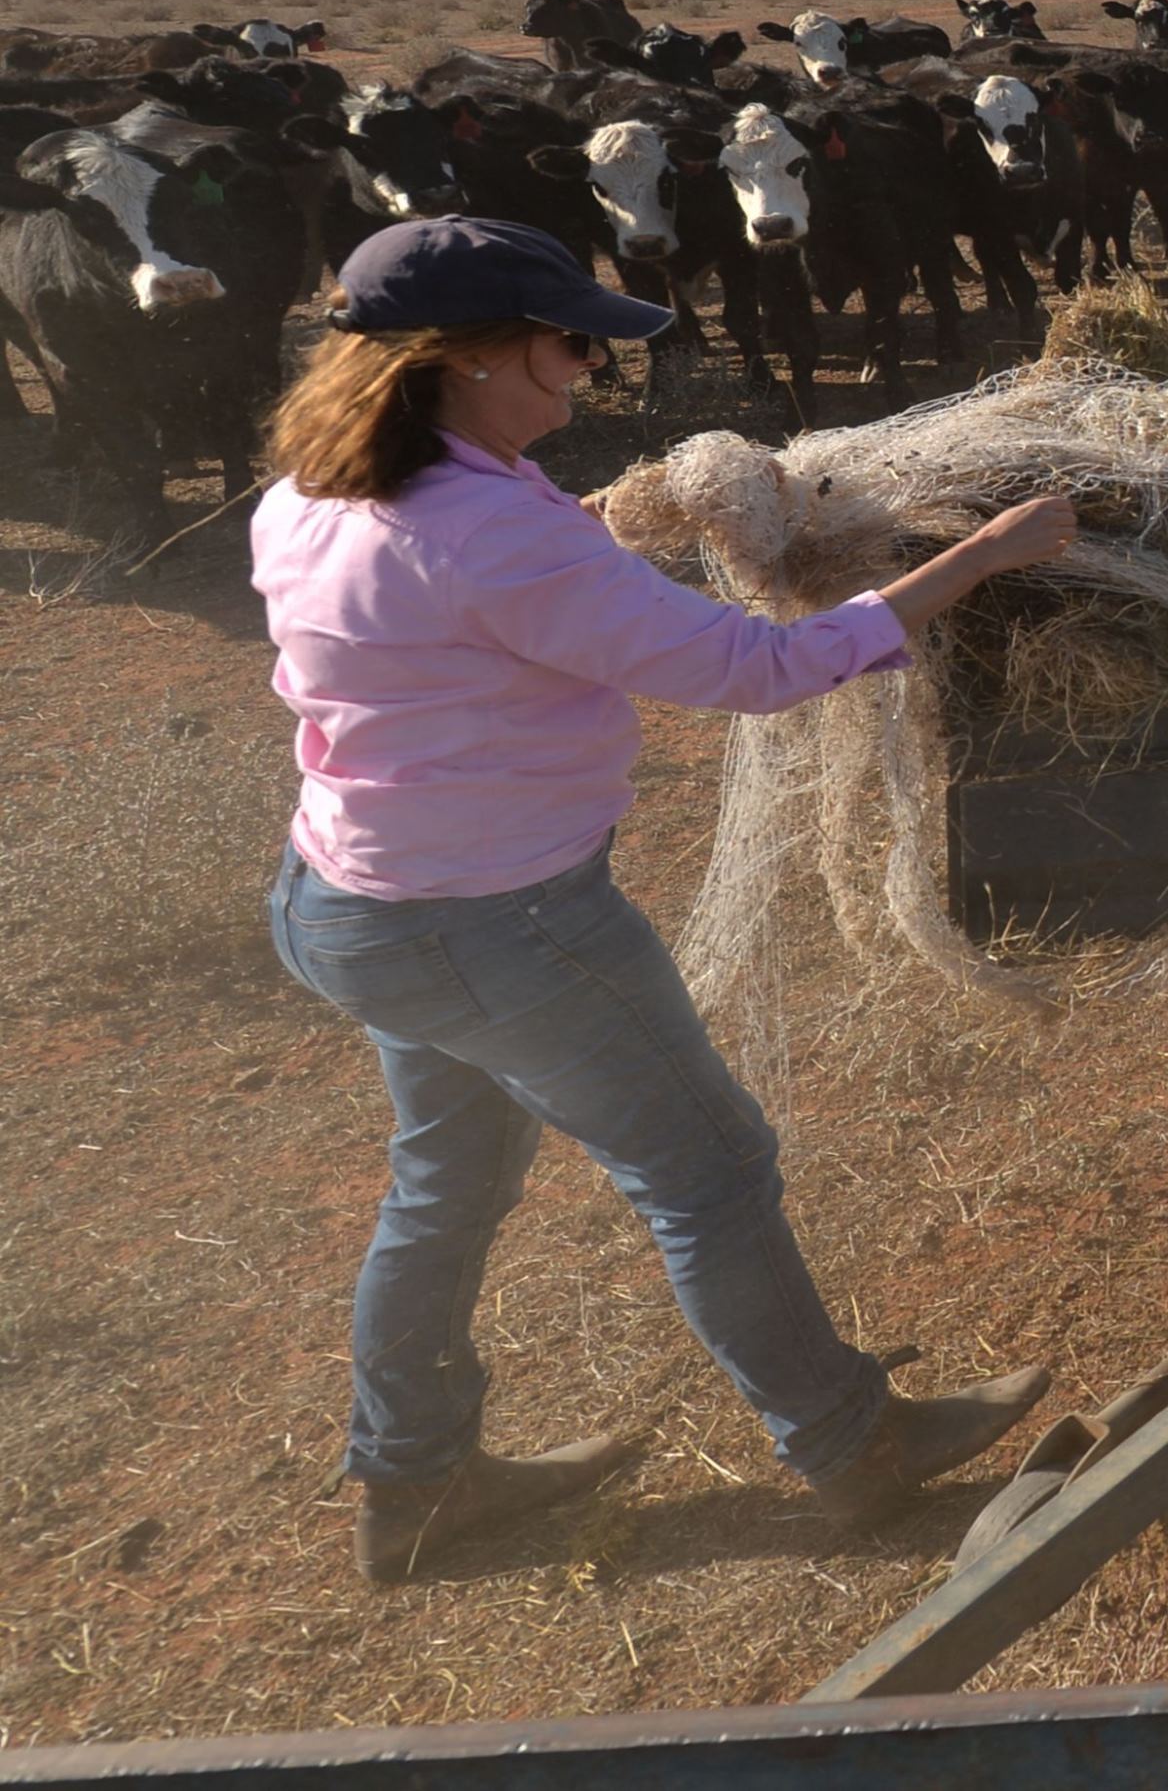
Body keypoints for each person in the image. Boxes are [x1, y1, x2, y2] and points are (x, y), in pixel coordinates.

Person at [249, 219, 1080, 1581]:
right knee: (706, 1169)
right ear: (466, 359)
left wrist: (577, 529)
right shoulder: (488, 536)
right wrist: (980, 556)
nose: (586, 372)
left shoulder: (314, 494)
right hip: (499, 926)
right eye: (568, 344)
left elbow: (456, 595)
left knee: (443, 1186)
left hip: (348, 903)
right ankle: (848, 1443)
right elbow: (764, 669)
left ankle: (416, 1485)